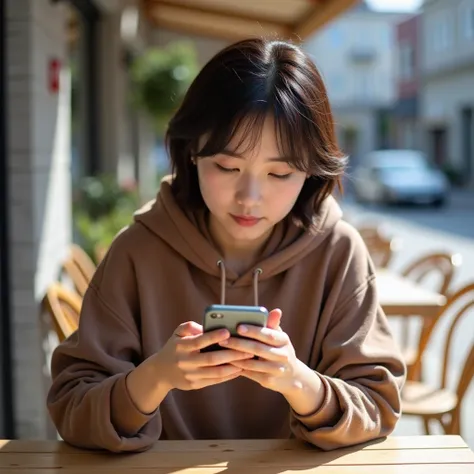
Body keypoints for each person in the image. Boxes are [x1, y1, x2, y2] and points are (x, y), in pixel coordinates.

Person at [47, 38, 406, 453]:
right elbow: (71, 408)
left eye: (280, 173)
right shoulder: (137, 252)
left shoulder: (339, 251)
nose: (250, 197)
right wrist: (157, 376)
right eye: (227, 166)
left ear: (311, 172)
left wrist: (296, 380)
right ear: (191, 152)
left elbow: (379, 406)